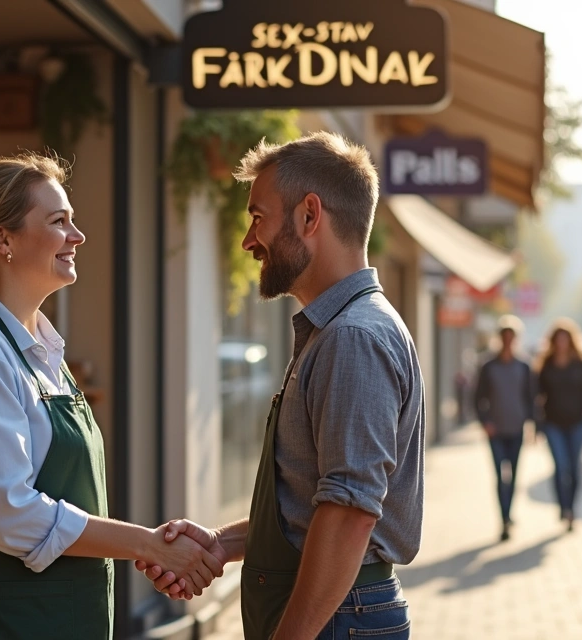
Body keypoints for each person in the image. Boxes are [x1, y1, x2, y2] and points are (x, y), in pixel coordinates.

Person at [0, 152, 223, 640]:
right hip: (3, 616)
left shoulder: (40, 347)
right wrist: (148, 544)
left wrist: (148, 546)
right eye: (59, 222)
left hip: (63, 611)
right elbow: (10, 514)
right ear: (3, 239)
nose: (77, 237)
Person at [139, 132, 425, 640]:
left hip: (336, 618)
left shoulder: (353, 337)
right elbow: (313, 507)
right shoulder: (338, 330)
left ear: (309, 216)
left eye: (257, 217)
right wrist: (221, 544)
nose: (249, 240)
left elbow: (349, 513)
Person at [474, 315, 535, 542]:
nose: (508, 341)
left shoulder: (524, 366)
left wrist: (531, 425)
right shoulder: (489, 366)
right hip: (496, 430)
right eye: (504, 336)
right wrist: (485, 422)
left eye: (512, 337)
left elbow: (531, 399)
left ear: (516, 339)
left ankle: (510, 513)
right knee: (501, 477)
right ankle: (504, 519)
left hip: (516, 429)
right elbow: (478, 398)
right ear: (499, 339)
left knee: (514, 476)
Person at [534, 318, 582, 532]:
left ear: (571, 341)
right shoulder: (547, 365)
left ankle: (571, 507)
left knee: (575, 470)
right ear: (553, 341)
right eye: (558, 339)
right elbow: (537, 395)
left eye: (565, 339)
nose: (561, 343)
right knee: (561, 467)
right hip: (553, 424)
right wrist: (537, 425)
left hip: (576, 423)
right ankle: (563, 508)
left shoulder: (580, 364)